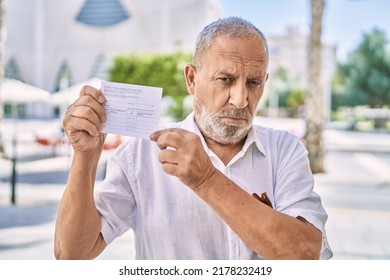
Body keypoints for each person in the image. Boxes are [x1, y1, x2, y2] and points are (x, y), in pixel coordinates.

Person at [54, 17, 332, 260]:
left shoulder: (284, 150)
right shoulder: (140, 155)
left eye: (253, 82)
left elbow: (304, 253)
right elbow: (72, 253)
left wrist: (206, 180)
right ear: (191, 79)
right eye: (225, 79)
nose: (240, 99)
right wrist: (85, 155)